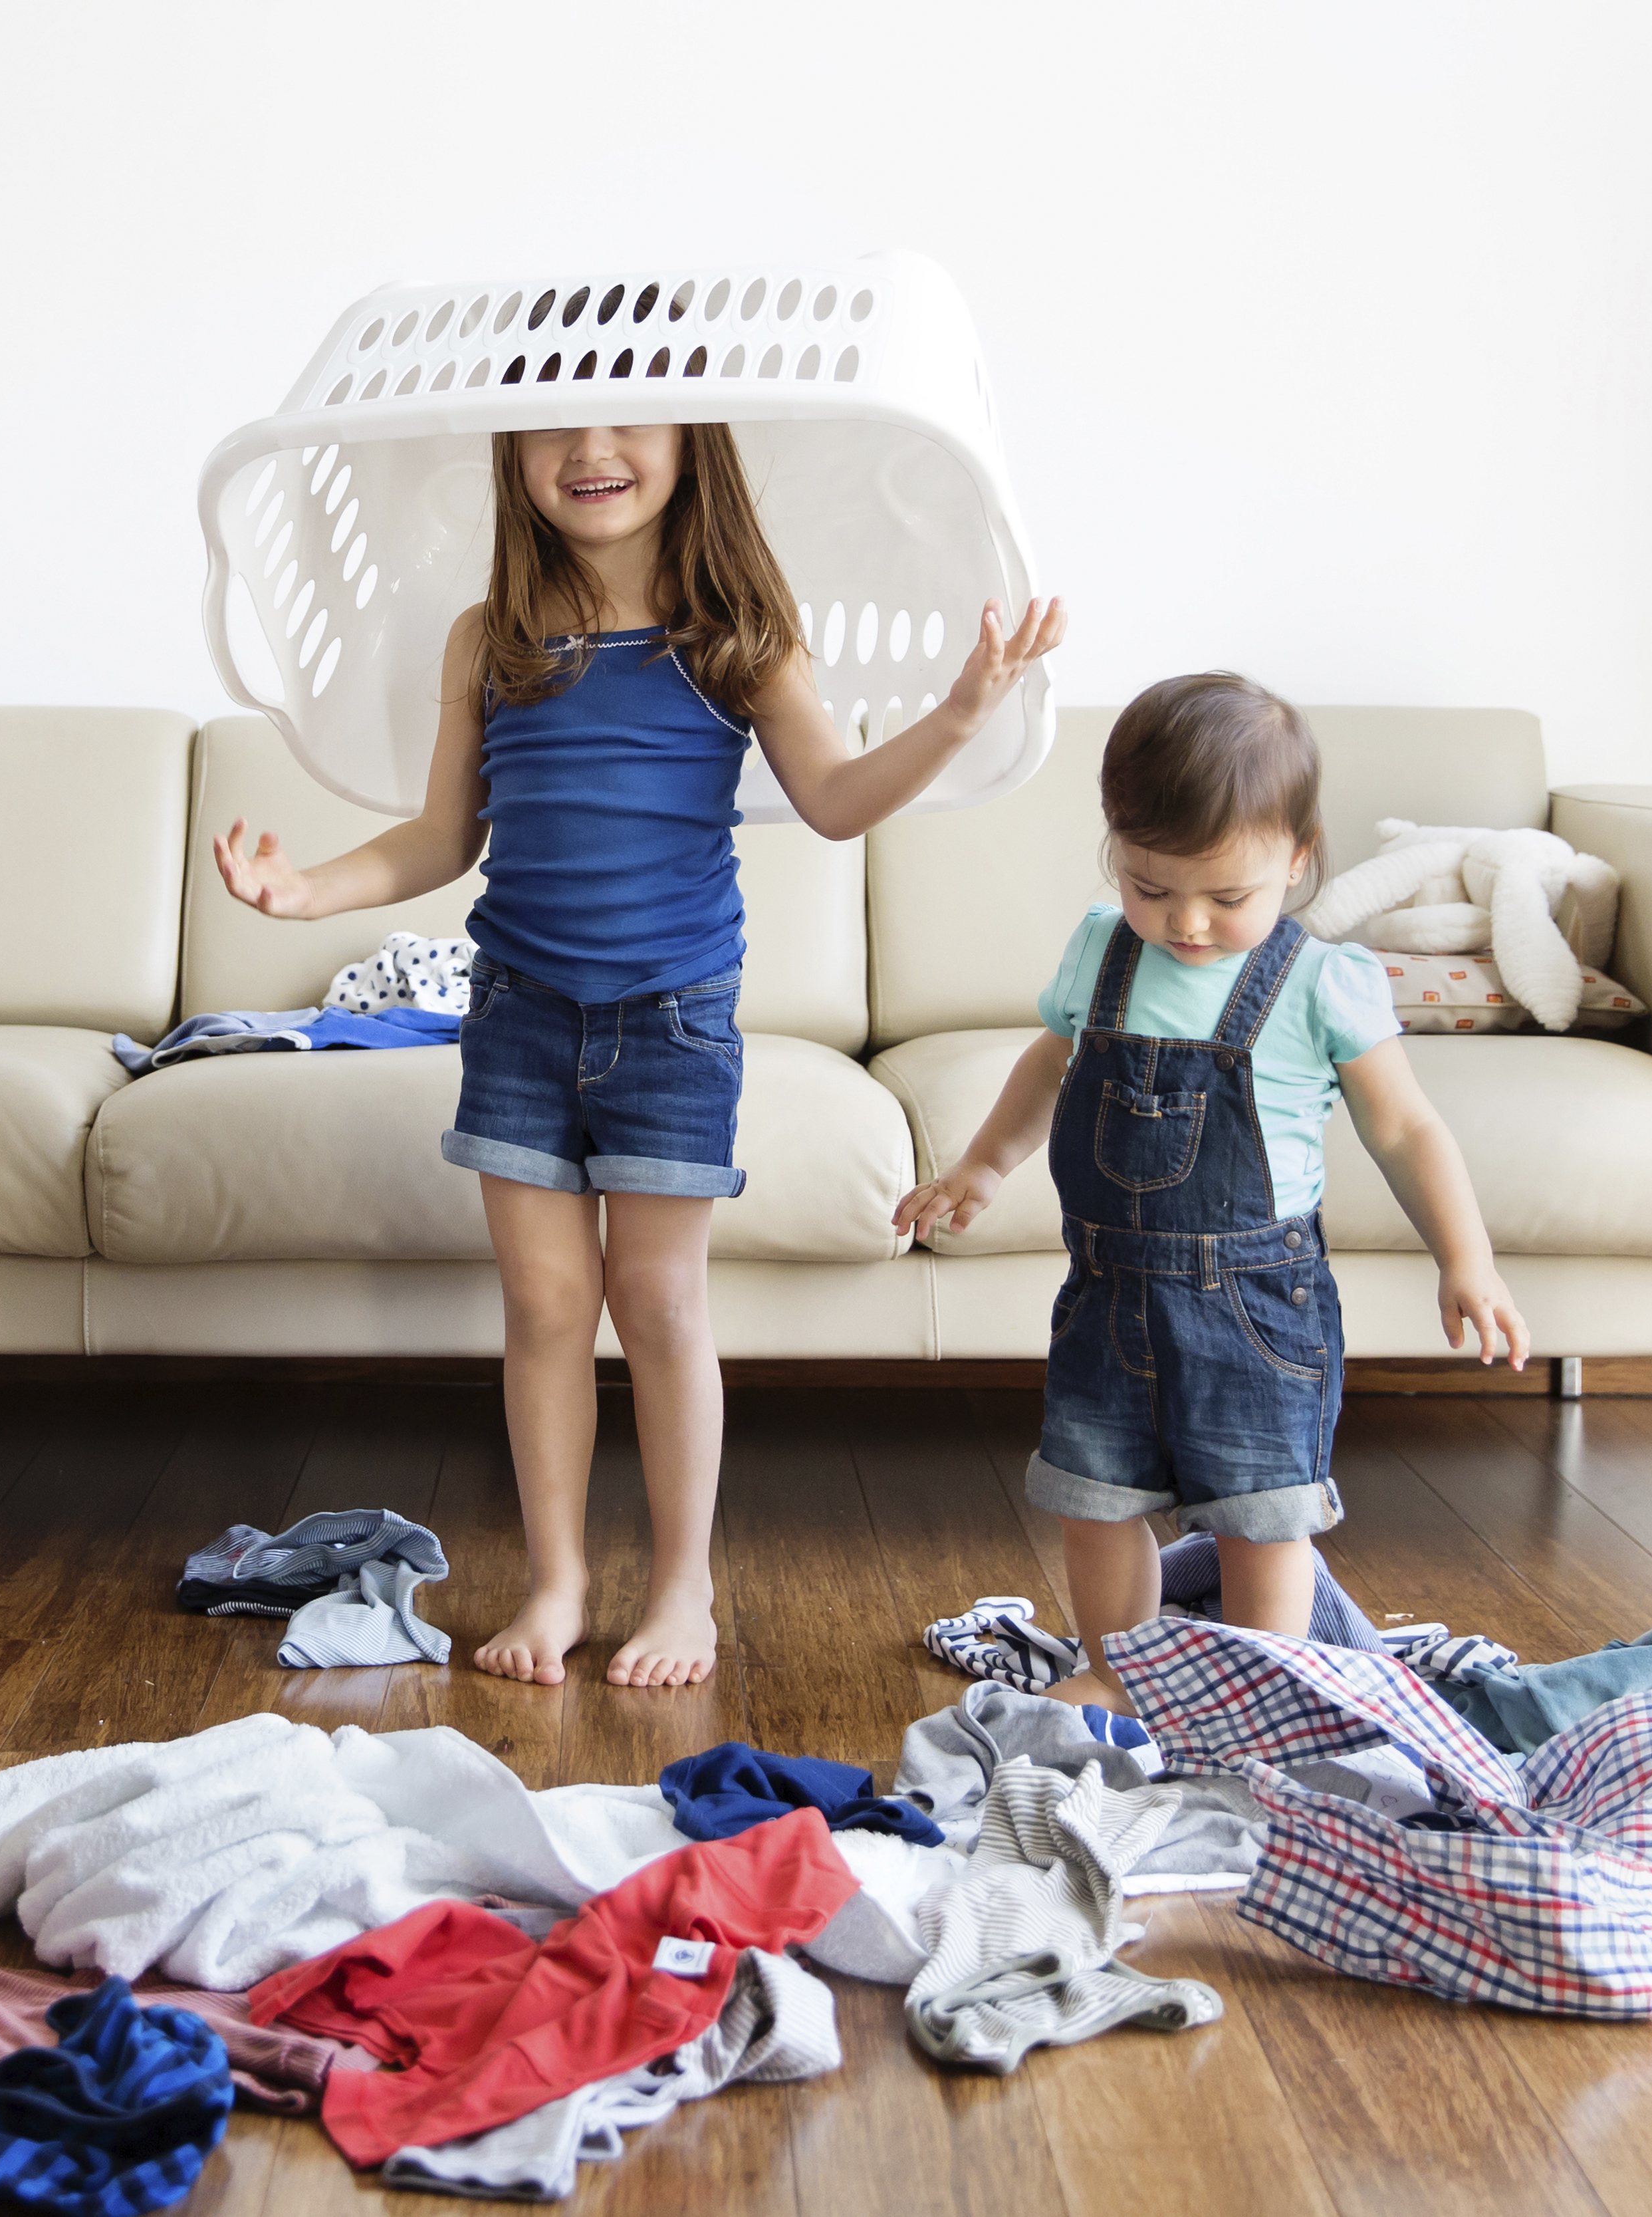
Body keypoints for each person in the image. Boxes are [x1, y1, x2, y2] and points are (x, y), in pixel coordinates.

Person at [215, 421, 1064, 1688]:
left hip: (669, 1017)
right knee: (548, 1305)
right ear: (513, 454)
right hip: (518, 1010)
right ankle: (556, 1583)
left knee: (659, 1306)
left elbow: (834, 801)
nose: (591, 447)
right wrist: (310, 891)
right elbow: (442, 838)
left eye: (628, 419)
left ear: (690, 443)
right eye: (557, 424)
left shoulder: (738, 636)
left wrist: (957, 713)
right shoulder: (487, 637)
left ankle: (684, 1593)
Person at [893, 672, 1526, 1684]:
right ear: (1117, 852)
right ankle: (1121, 1673)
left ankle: (1258, 1679)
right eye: (1150, 886)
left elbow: (1407, 1127)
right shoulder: (1104, 953)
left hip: (1256, 1309)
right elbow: (1048, 1065)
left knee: (1261, 1517)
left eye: (1226, 896)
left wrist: (1469, 1258)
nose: (1185, 922)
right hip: (1107, 1297)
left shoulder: (1320, 979)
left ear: (1298, 858)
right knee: (1096, 1502)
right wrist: (982, 1161)